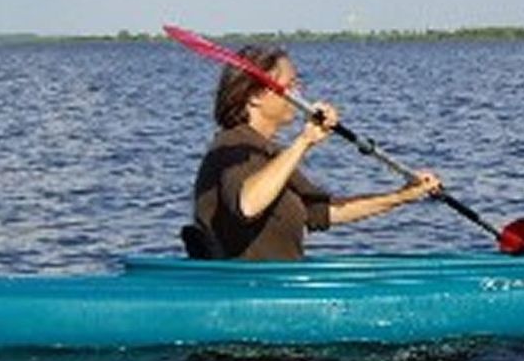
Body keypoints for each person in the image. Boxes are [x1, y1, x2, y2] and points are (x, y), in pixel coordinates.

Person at [189, 44, 443, 260]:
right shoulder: (231, 148)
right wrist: (304, 141)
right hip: (248, 296)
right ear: (256, 96)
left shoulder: (270, 155)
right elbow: (248, 204)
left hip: (279, 290)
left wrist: (401, 196)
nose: (298, 94)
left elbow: (324, 213)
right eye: (290, 85)